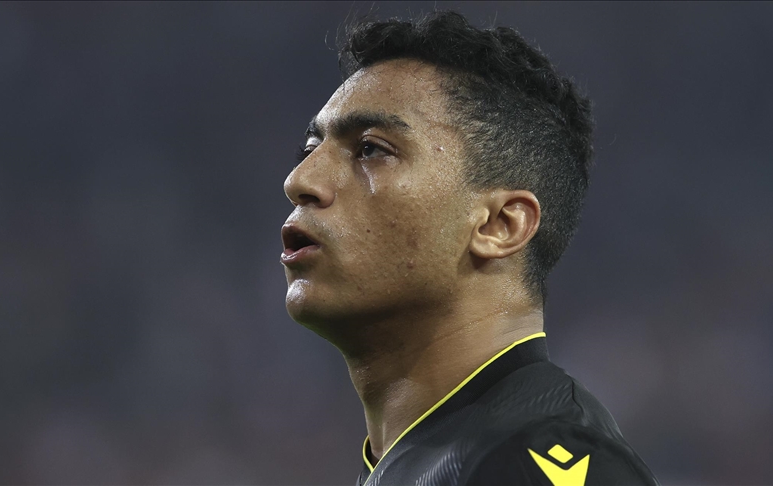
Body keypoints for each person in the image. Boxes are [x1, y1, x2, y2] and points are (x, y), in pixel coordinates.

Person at [280, 10, 658, 486]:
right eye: (310, 149)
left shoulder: (539, 460)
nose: (300, 180)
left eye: (372, 149)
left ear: (500, 225)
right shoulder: (432, 457)